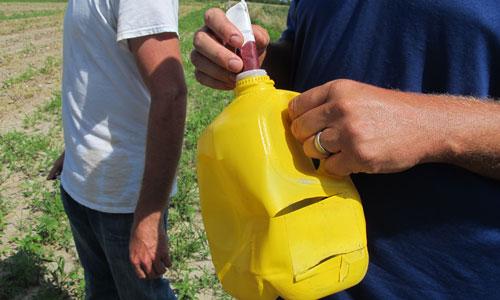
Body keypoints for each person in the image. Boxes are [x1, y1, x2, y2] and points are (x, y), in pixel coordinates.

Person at [190, 1, 500, 299]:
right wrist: (256, 61)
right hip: (298, 272)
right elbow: (308, 48)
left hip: (445, 282)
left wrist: (430, 125)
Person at [47, 0, 186, 298]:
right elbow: (97, 73)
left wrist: (148, 217)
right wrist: (74, 147)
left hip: (125, 198)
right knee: (101, 290)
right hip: (82, 182)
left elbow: (170, 94)